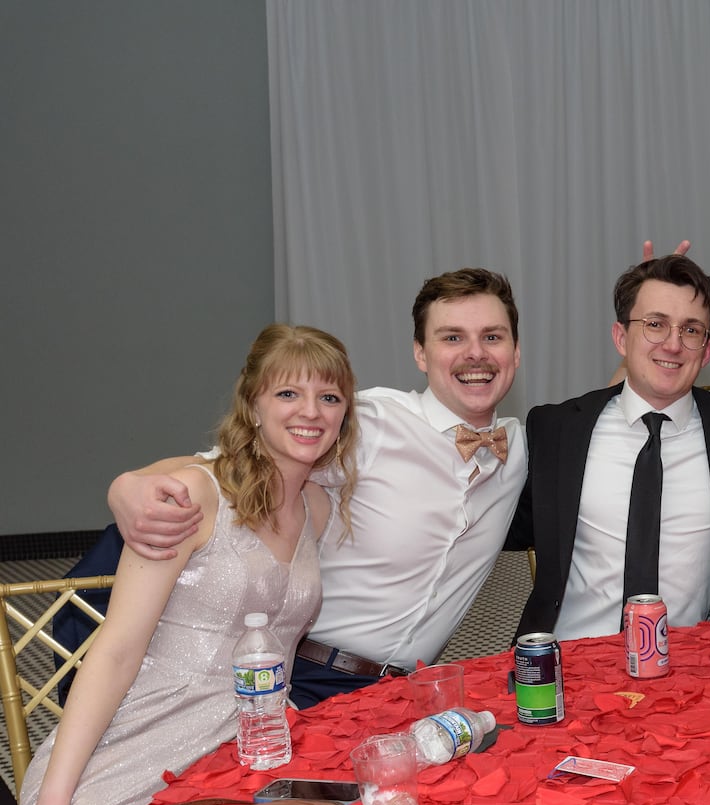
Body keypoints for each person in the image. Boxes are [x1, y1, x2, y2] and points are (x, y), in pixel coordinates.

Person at [7, 325, 358, 805]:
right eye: (288, 392)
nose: (310, 412)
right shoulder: (188, 497)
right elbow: (115, 652)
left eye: (329, 396)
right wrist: (54, 801)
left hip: (254, 740)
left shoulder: (317, 504)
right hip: (141, 734)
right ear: (252, 403)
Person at [108, 268, 527, 707]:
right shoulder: (369, 423)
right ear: (420, 354)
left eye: (493, 337)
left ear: (516, 352)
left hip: (409, 694)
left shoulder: (520, 449)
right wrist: (127, 484)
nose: (475, 354)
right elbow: (232, 460)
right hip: (307, 679)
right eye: (452, 338)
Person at [507, 254, 710, 640]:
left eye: (691, 330)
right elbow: (502, 526)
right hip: (571, 659)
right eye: (655, 325)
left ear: (707, 351)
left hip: (691, 670)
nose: (673, 344)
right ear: (620, 337)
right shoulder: (557, 429)